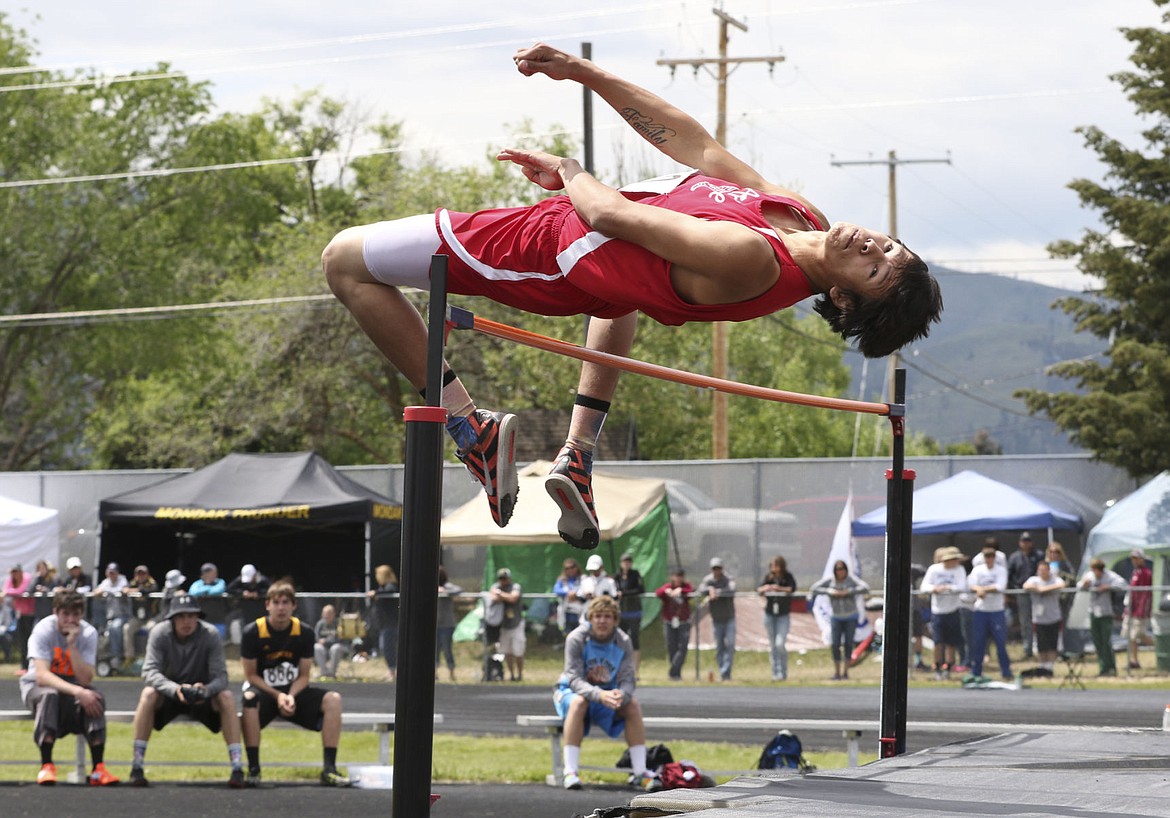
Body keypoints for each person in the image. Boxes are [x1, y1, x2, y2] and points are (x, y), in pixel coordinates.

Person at [320, 42, 943, 553]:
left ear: (842, 296)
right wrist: (585, 73)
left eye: (877, 269)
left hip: (548, 250)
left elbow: (611, 216)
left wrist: (567, 168)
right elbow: (695, 147)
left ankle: (468, 424)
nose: (874, 248)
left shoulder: (751, 257)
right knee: (624, 292)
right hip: (594, 256)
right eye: (889, 247)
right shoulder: (801, 216)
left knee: (345, 261)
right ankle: (578, 453)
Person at [240, 580, 351, 787]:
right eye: (276, 603)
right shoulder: (252, 632)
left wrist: (290, 696)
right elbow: (251, 676)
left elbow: (304, 676)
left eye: (285, 602)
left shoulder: (304, 632)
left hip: (294, 693)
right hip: (265, 693)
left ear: (293, 606)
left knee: (333, 700)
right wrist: (278, 696)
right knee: (248, 699)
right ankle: (254, 770)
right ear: (267, 605)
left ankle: (329, 769)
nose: (281, 608)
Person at [129, 594, 244, 788]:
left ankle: (237, 767)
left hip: (202, 696)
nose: (187, 621)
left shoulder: (210, 634)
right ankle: (137, 765)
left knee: (226, 696)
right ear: (172, 618)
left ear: (198, 616)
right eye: (181, 616)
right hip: (169, 696)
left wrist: (206, 690)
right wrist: (175, 690)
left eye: (191, 616)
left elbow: (222, 677)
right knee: (148, 694)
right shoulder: (159, 633)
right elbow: (149, 672)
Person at [18, 590, 118, 786]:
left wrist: (71, 645)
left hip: (73, 685)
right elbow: (42, 676)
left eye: (76, 614)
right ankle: (46, 765)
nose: (71, 619)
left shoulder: (88, 633)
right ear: (56, 612)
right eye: (66, 614)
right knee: (50, 696)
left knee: (94, 697)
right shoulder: (43, 630)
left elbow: (86, 679)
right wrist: (79, 692)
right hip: (37, 688)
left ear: (81, 614)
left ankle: (98, 768)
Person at [553, 595, 653, 791]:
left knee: (632, 704)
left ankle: (640, 772)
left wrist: (621, 696)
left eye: (607, 616)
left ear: (615, 620)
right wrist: (599, 695)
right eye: (597, 616)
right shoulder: (577, 638)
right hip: (570, 691)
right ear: (590, 618)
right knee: (579, 702)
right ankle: (570, 771)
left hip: (606, 694)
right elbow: (574, 679)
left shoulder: (623, 640)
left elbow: (628, 679)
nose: (602, 621)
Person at [809, 560, 869, 681]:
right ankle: (836, 672)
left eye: (842, 569)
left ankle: (845, 672)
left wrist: (850, 591)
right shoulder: (831, 581)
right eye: (837, 569)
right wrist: (829, 592)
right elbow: (814, 588)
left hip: (851, 617)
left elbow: (865, 588)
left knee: (848, 644)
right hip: (836, 617)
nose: (840, 571)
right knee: (835, 644)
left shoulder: (851, 580)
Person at [920, 546, 968, 680]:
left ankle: (949, 666)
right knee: (938, 641)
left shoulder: (959, 570)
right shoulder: (934, 569)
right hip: (938, 611)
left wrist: (948, 588)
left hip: (953, 610)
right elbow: (924, 586)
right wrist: (935, 588)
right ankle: (938, 666)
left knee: (951, 642)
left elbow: (962, 587)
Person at [967, 544, 1012, 682]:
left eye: (992, 556)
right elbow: (971, 585)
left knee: (1000, 642)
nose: (989, 559)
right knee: (978, 642)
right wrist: (978, 590)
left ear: (995, 557)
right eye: (987, 556)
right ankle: (976, 672)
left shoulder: (1001, 570)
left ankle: (1006, 671)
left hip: (996, 610)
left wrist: (982, 590)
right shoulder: (977, 570)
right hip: (981, 610)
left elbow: (1000, 586)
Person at [1079, 558, 1128, 677]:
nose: (1096, 572)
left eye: (1098, 570)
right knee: (1097, 642)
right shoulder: (1089, 575)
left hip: (1106, 613)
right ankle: (1103, 668)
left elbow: (1123, 583)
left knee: (1106, 642)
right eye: (1094, 570)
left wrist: (1108, 587)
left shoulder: (1109, 576)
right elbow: (1079, 585)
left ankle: (1110, 668)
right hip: (1093, 612)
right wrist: (1084, 585)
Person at [1022, 561, 1066, 677]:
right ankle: (1043, 667)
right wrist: (1037, 588)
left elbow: (1062, 585)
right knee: (1041, 645)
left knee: (1052, 644)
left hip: (1054, 617)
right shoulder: (1034, 580)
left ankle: (1050, 668)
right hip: (1039, 619)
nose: (1043, 572)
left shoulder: (1055, 579)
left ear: (1048, 570)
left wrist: (1044, 589)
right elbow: (1025, 586)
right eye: (1040, 569)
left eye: (1045, 570)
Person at [758, 555, 798, 682]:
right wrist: (765, 588)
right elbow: (759, 589)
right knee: (773, 645)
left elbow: (792, 589)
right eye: (772, 566)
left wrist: (778, 588)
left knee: (780, 643)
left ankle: (783, 671)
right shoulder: (768, 577)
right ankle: (775, 673)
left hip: (783, 615)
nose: (773, 568)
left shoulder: (788, 577)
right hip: (770, 614)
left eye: (776, 565)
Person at [699, 557, 737, 681]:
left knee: (730, 644)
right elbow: (700, 590)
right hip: (716, 619)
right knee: (719, 646)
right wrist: (710, 590)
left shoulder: (728, 579)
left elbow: (732, 589)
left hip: (729, 618)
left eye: (719, 568)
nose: (717, 571)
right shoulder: (708, 580)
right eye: (714, 568)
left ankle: (726, 672)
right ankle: (723, 672)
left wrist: (717, 592)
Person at [485, 567, 526, 682]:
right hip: (503, 625)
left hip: (516, 623)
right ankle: (511, 675)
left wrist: (501, 595)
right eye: (501, 579)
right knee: (507, 652)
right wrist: (504, 596)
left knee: (518, 651)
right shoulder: (495, 586)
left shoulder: (515, 586)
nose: (503, 581)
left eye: (505, 578)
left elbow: (513, 598)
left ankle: (520, 674)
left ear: (509, 578)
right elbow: (493, 597)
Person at [1007, 532, 1043, 659]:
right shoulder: (1014, 557)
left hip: (1038, 592)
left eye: (1028, 540)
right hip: (1021, 593)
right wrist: (1014, 590)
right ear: (1020, 542)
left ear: (1032, 542)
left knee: (1040, 619)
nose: (1026, 543)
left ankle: (1041, 648)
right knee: (1025, 621)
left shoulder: (1039, 555)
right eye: (1023, 541)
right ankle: (1028, 649)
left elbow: (1043, 572)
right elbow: (1009, 575)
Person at [655, 568, 693, 681]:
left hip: (684, 622)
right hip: (669, 622)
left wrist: (681, 590)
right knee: (671, 647)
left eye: (680, 576)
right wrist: (667, 591)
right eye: (676, 576)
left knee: (683, 647)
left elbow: (691, 591)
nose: (678, 578)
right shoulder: (668, 587)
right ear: (672, 576)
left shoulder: (686, 587)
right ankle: (676, 674)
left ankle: (673, 671)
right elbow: (658, 592)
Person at [93, 562, 131, 670]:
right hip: (109, 616)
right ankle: (105, 657)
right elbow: (96, 591)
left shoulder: (122, 579)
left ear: (117, 573)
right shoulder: (106, 582)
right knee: (103, 631)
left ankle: (117, 656)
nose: (111, 575)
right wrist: (103, 590)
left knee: (115, 628)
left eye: (113, 573)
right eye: (110, 573)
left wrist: (108, 591)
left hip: (123, 615)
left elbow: (124, 589)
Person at [614, 553, 645, 675]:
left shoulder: (635, 574)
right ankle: (621, 668)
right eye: (624, 561)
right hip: (621, 613)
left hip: (634, 612)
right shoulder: (617, 577)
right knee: (620, 640)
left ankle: (635, 670)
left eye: (628, 561)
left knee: (635, 640)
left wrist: (624, 593)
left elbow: (640, 589)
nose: (626, 564)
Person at [367, 564, 399, 682]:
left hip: (391, 624)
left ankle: (393, 671)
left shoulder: (390, 586)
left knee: (388, 648)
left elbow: (390, 591)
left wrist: (375, 593)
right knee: (385, 648)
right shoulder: (383, 588)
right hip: (385, 624)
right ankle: (392, 670)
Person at [1124, 548, 1153, 671]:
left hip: (1140, 611)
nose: (1134, 561)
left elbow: (1145, 594)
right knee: (1130, 636)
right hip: (1131, 609)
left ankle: (1164, 646)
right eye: (1133, 558)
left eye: (1137, 558)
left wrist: (1142, 609)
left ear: (1142, 559)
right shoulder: (1136, 572)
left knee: (1139, 634)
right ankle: (1134, 660)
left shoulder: (1146, 573)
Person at [2, 563, 35, 669]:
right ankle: (24, 666)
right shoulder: (11, 579)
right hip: (19, 613)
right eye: (12, 572)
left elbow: (21, 590)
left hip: (30, 614)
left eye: (16, 572)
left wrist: (9, 592)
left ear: (20, 571)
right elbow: (5, 589)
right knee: (22, 640)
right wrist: (11, 592)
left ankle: (31, 665)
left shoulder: (27, 577)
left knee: (31, 639)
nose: (14, 575)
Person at [125, 564, 160, 661]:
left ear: (147, 574)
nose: (141, 576)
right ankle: (129, 657)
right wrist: (130, 590)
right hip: (137, 618)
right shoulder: (132, 583)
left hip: (150, 617)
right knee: (127, 628)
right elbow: (124, 589)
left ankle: (150, 657)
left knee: (151, 629)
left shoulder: (152, 583)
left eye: (143, 574)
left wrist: (135, 590)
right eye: (139, 574)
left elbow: (150, 590)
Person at [436, 567, 463, 682]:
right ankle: (434, 672)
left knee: (447, 649)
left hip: (447, 624)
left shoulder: (448, 586)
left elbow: (459, 590)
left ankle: (451, 671)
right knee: (434, 650)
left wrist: (444, 591)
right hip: (435, 624)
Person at [313, 604, 348, 679]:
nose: (326, 616)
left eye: (329, 614)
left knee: (335, 648)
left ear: (333, 614)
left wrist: (326, 641)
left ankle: (332, 673)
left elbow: (339, 639)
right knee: (316, 647)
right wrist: (321, 641)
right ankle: (324, 672)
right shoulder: (320, 624)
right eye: (325, 614)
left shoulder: (338, 624)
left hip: (339, 647)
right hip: (324, 648)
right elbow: (316, 638)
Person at [553, 558, 585, 635]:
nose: (570, 570)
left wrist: (576, 595)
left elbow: (586, 591)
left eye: (572, 567)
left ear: (577, 567)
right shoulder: (562, 580)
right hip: (567, 614)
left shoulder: (583, 578)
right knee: (569, 636)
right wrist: (568, 593)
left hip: (580, 612)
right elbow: (556, 590)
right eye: (567, 568)